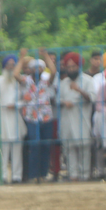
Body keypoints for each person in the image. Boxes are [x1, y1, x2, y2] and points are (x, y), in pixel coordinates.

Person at [57, 52, 95, 182]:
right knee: (69, 148)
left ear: (79, 66)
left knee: (84, 147)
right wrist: (64, 102)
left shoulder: (88, 80)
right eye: (69, 67)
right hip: (67, 118)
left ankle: (84, 175)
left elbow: (92, 98)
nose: (71, 69)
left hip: (81, 118)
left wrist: (79, 90)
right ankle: (73, 175)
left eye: (73, 66)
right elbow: (57, 100)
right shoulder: (63, 82)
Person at [20, 57, 55, 182]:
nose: (37, 70)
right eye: (34, 67)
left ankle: (43, 174)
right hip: (31, 117)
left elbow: (53, 71)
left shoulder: (46, 80)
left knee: (45, 145)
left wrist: (46, 56)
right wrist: (22, 58)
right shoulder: (26, 80)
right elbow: (15, 74)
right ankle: (33, 175)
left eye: (40, 67)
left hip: (46, 117)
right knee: (34, 145)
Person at [0, 55, 25, 184]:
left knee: (17, 149)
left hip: (15, 117)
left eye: (13, 65)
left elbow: (26, 99)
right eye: (8, 65)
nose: (11, 67)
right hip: (2, 117)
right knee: (2, 149)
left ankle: (17, 176)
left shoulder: (19, 81)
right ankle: (3, 176)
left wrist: (16, 104)